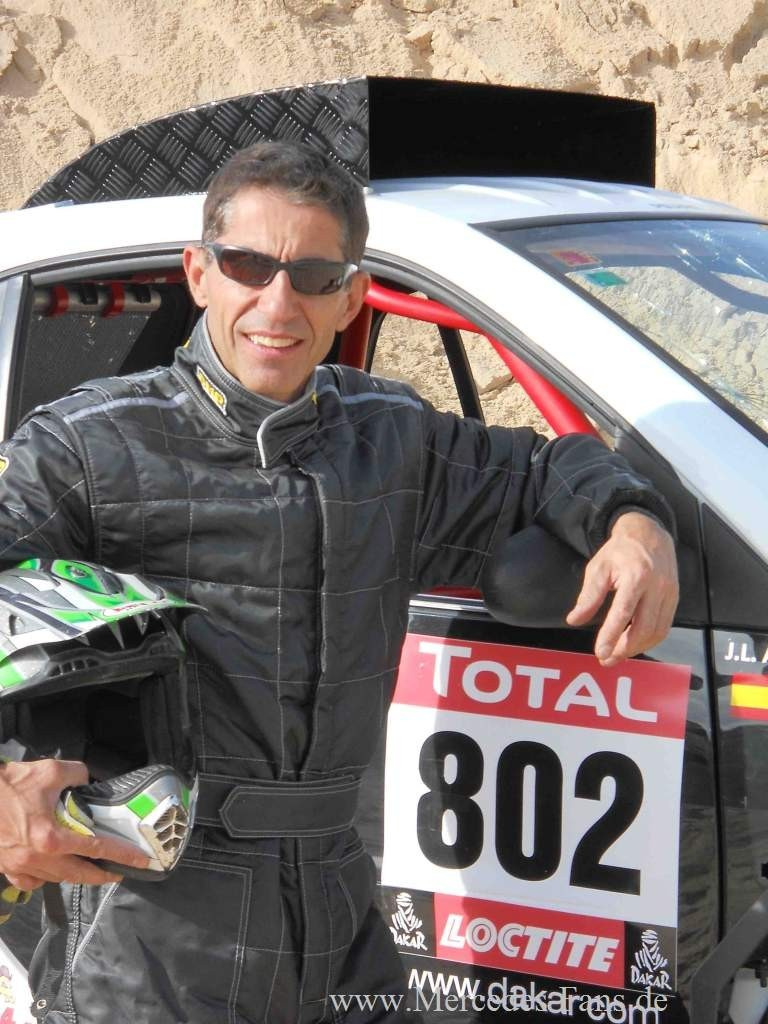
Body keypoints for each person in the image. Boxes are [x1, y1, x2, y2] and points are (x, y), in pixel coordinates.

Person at [0, 141, 678, 1024]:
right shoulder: (86, 447)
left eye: (314, 277)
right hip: (147, 929)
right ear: (199, 274)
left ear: (350, 297)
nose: (277, 303)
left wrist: (635, 524)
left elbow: (546, 468)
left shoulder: (389, 436)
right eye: (248, 266)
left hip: (337, 909)